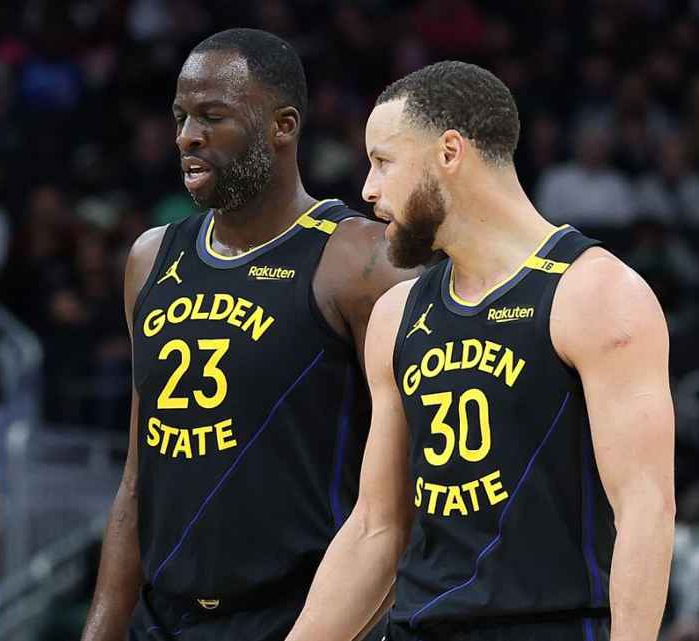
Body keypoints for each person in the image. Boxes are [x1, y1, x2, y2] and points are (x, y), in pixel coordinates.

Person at [286, 61, 675, 641]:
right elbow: (376, 527)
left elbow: (646, 510)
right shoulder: (398, 314)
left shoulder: (595, 293)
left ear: (449, 152)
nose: (367, 189)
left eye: (383, 161)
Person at [81, 29, 418, 641]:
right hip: (164, 620)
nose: (186, 135)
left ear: (281, 126)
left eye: (213, 116)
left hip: (304, 618)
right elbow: (137, 479)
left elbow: (410, 493)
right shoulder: (151, 258)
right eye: (181, 116)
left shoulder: (361, 262)